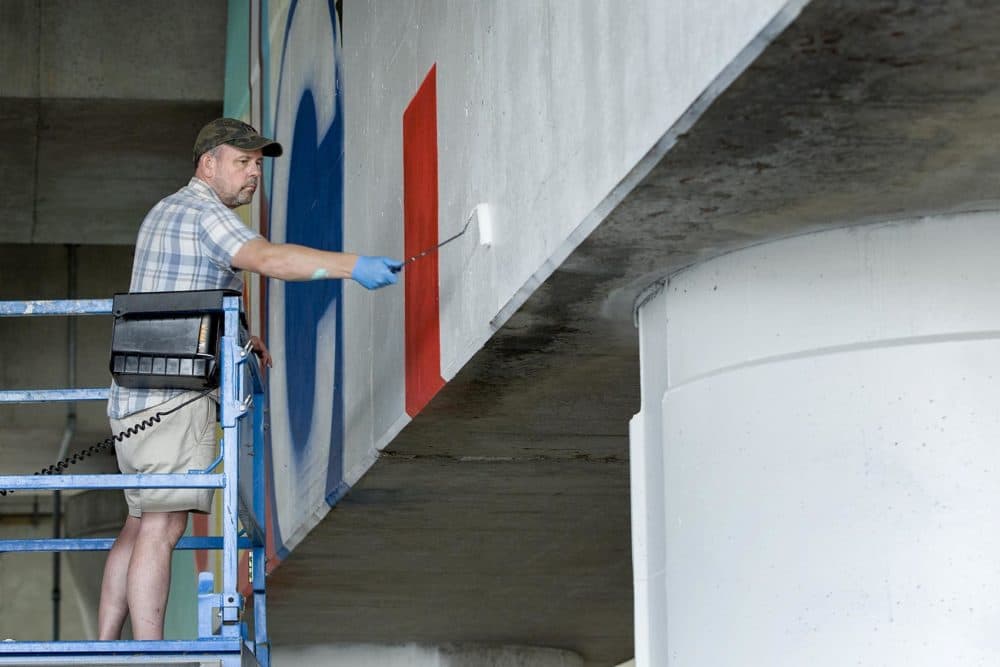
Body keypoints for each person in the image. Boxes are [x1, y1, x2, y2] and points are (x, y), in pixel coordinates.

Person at [97, 117, 401, 641]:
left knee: (139, 522)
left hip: (133, 397)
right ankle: (150, 655)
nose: (253, 174)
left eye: (258, 164)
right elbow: (269, 260)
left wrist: (239, 333)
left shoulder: (164, 212)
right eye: (242, 162)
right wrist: (353, 266)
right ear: (207, 162)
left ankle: (104, 649)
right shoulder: (206, 214)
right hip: (175, 399)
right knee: (164, 527)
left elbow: (185, 293)